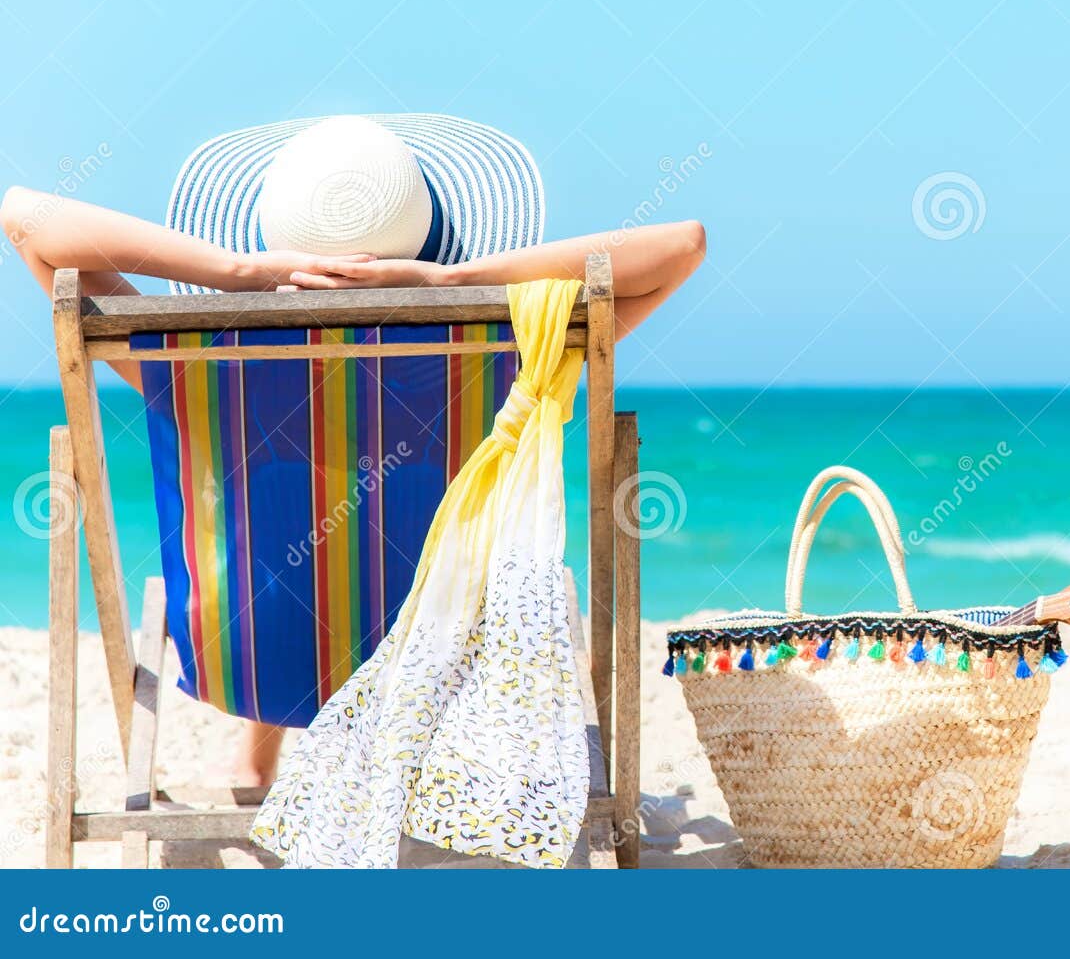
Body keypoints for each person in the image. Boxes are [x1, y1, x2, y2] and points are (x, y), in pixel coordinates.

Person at [1, 115, 705, 786]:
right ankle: (267, 758)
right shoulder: (504, 360)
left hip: (248, 663)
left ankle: (257, 761)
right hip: (438, 671)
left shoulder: (199, 369)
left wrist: (235, 273)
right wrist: (453, 284)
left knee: (283, 521)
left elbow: (22, 215)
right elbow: (683, 245)